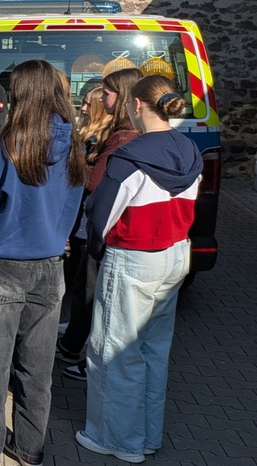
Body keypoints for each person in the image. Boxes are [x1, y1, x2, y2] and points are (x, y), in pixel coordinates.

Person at [0, 59, 85, 466]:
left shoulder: (6, 144)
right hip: (50, 265)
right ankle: (29, 449)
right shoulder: (73, 144)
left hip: (1, 264)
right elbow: (74, 206)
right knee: (36, 366)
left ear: (20, 95)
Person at [76, 76, 201, 463]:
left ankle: (117, 439)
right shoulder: (190, 149)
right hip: (176, 253)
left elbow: (102, 213)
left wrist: (97, 248)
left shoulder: (131, 156)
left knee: (115, 350)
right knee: (153, 350)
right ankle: (145, 435)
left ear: (137, 105)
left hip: (134, 256)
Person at [57, 69, 143, 381]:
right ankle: (78, 347)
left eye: (106, 93)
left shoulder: (122, 138)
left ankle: (84, 356)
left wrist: (80, 161)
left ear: (121, 97)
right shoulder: (119, 134)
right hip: (97, 227)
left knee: (93, 295)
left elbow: (95, 182)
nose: (97, 99)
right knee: (85, 290)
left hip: (101, 228)